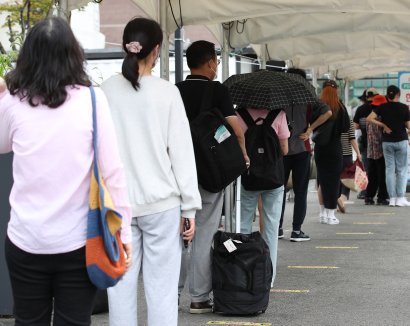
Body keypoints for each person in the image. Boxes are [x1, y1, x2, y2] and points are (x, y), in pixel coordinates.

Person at [0, 17, 132, 325]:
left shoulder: (14, 104)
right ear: (73, 54)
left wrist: (6, 89)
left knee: (28, 321)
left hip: (25, 240)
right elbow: (112, 172)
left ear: (28, 57)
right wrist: (123, 232)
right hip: (78, 243)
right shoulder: (92, 100)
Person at [102, 18, 201, 326]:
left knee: (120, 288)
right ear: (156, 50)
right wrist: (190, 207)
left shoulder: (104, 91)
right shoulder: (167, 92)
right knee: (161, 290)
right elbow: (181, 153)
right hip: (163, 206)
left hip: (118, 206)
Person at [175, 40, 248, 313]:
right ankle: (199, 297)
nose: (216, 66)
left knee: (177, 235)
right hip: (208, 172)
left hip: (177, 173)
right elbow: (236, 129)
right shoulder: (217, 91)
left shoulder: (175, 91)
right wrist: (242, 154)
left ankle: (170, 293)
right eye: (216, 61)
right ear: (208, 63)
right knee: (204, 233)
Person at [238, 107, 290, 286]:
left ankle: (241, 275)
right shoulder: (279, 114)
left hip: (248, 177)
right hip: (273, 178)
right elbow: (284, 149)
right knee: (271, 228)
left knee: (243, 224)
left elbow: (236, 145)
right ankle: (269, 278)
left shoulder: (240, 114)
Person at [278, 68, 331, 241]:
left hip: (282, 149)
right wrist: (310, 129)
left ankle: (277, 228)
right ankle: (296, 231)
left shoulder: (279, 96)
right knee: (301, 192)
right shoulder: (308, 97)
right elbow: (328, 112)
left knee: (279, 191)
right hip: (302, 148)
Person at [366, 85, 410, 207]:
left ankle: (392, 198)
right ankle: (400, 197)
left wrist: (383, 125)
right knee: (401, 170)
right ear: (398, 95)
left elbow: (369, 118)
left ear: (387, 95)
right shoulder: (404, 107)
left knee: (389, 170)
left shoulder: (382, 107)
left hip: (387, 142)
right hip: (401, 140)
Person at [315, 80, 350, 224]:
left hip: (320, 147)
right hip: (335, 147)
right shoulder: (340, 107)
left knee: (322, 180)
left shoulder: (317, 105)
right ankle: (331, 214)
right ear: (336, 90)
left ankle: (322, 213)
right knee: (334, 180)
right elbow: (346, 127)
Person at [353, 88, 380, 199]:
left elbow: (355, 125)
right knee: (379, 167)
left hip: (365, 142)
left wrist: (364, 127)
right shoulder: (380, 107)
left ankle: (366, 192)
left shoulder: (360, 109)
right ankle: (379, 189)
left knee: (366, 167)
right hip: (379, 143)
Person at [365, 95, 390, 206]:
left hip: (371, 151)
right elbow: (380, 136)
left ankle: (369, 197)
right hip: (380, 150)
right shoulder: (381, 118)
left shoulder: (369, 118)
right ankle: (382, 197)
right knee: (382, 175)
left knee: (372, 175)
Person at [337, 117, 362, 213]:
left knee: (337, 179)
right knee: (347, 178)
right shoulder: (347, 119)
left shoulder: (330, 118)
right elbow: (352, 138)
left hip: (333, 154)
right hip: (346, 155)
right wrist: (358, 153)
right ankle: (342, 199)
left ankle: (337, 203)